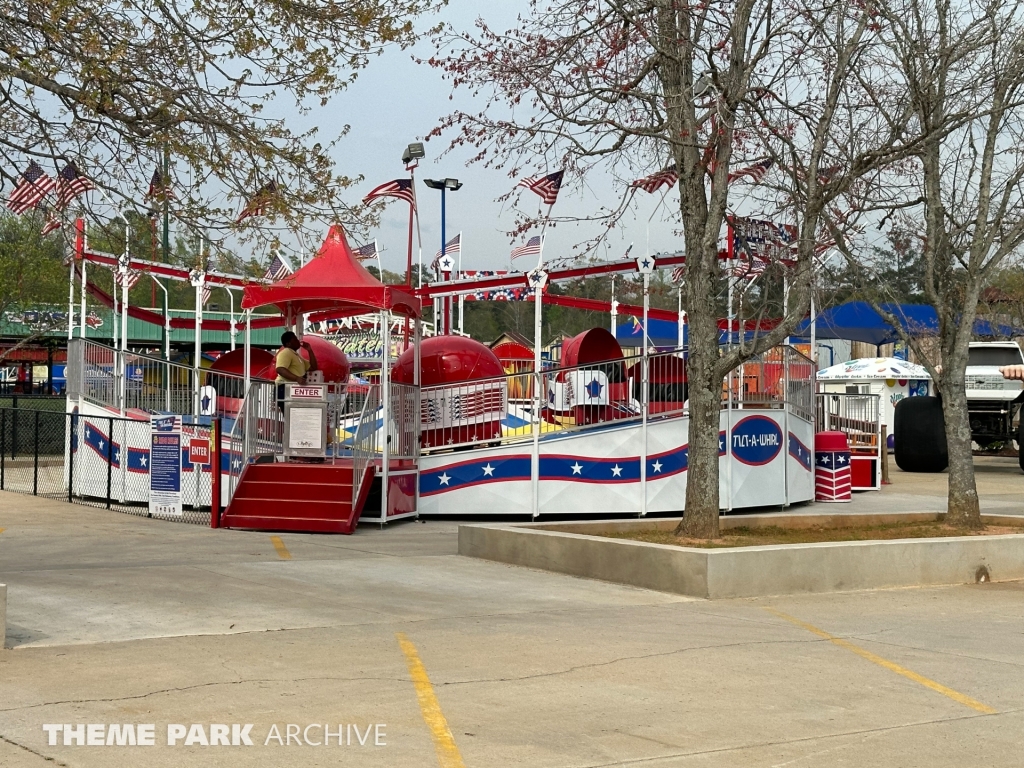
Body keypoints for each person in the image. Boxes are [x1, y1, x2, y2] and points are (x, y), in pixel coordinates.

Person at [276, 331, 318, 410]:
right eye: (295, 339)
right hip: (285, 388)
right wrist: (296, 378)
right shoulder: (286, 352)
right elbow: (280, 369)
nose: (298, 341)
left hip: (292, 390)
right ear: (288, 343)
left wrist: (309, 350)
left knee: (294, 414)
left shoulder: (297, 356)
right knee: (290, 414)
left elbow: (313, 367)